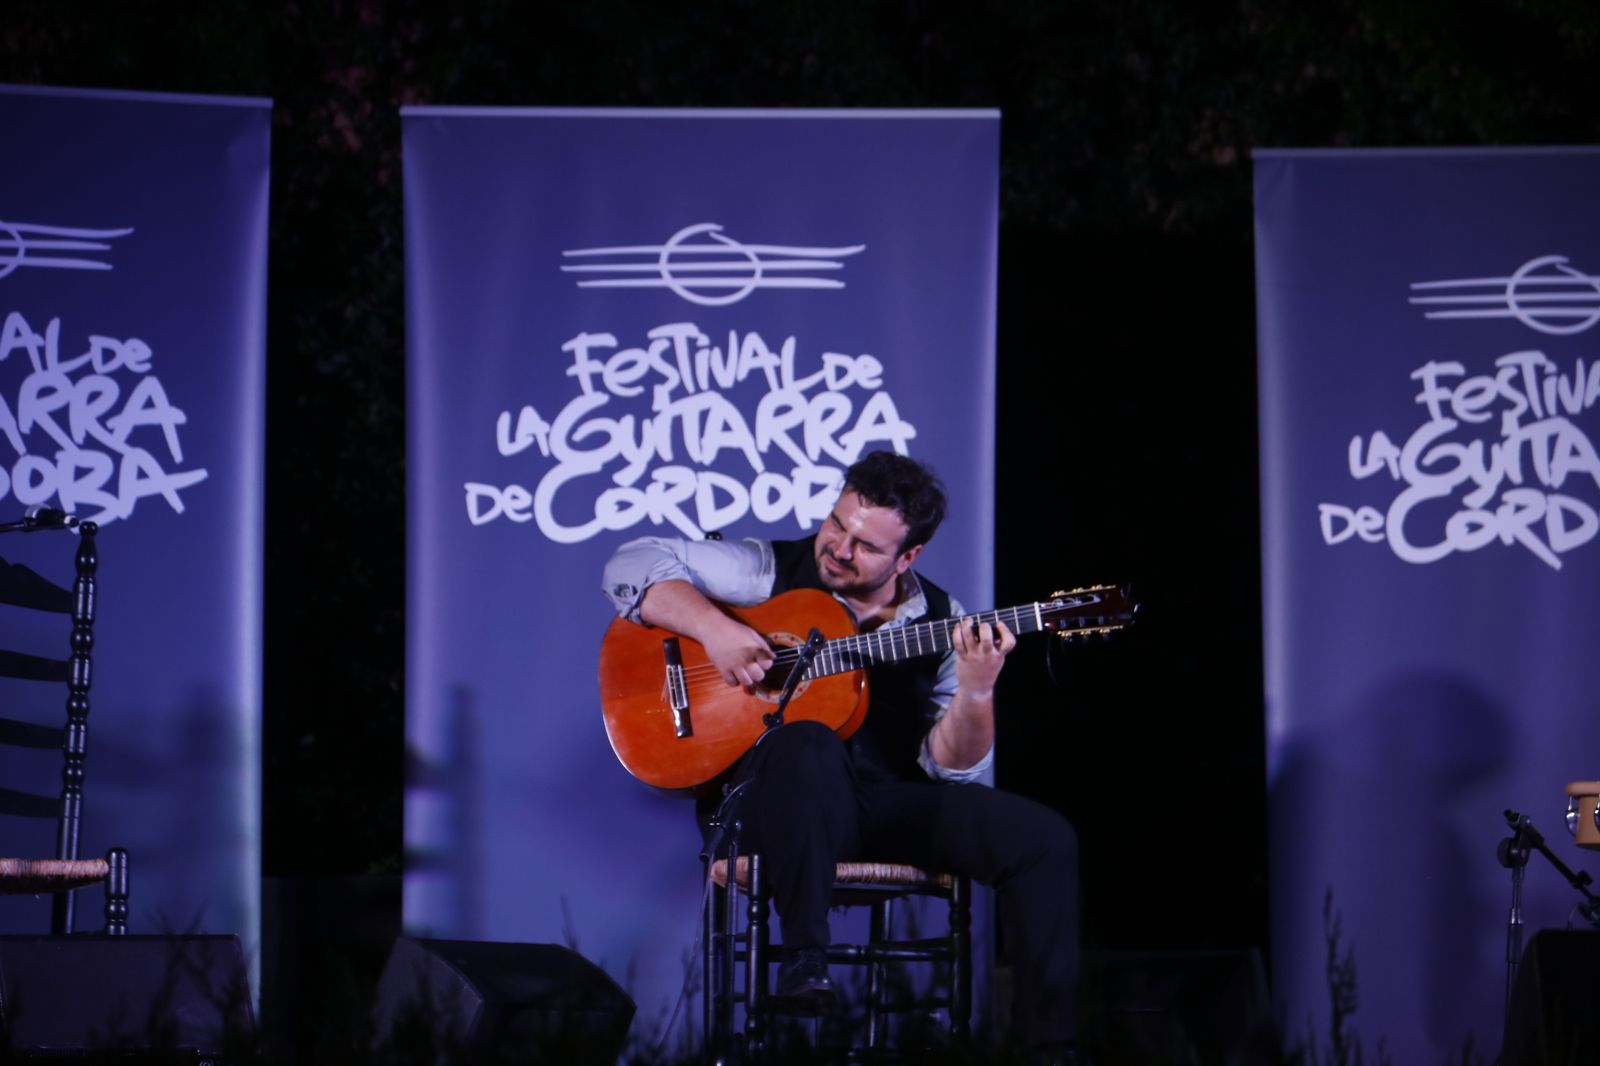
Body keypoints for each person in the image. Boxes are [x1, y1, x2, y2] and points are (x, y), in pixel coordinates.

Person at [601, 450, 1079, 1056]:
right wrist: (717, 632)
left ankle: (1052, 1047)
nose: (839, 549)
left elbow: (952, 769)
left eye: (866, 547)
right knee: (807, 738)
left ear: (908, 557)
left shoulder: (944, 620)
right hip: (770, 811)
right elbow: (629, 564)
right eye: (837, 525)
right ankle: (805, 959)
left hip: (878, 809)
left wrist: (978, 689)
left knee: (1043, 839)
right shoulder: (763, 569)